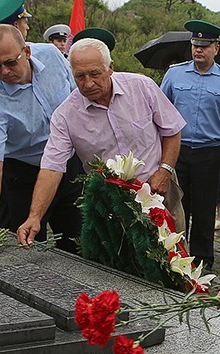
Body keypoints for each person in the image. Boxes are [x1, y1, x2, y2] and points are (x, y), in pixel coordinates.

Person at [17, 35, 187, 244]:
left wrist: (165, 171)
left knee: (174, 256)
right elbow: (52, 167)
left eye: (95, 74)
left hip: (159, 188)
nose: (88, 83)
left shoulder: (142, 87)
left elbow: (172, 130)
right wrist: (35, 217)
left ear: (110, 67)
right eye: (80, 76)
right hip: (112, 204)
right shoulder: (66, 115)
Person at [0, 24, 80, 251]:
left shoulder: (52, 56)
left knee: (77, 238)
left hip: (68, 165)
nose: (4, 72)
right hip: (25, 174)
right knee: (26, 244)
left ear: (27, 52)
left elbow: (76, 98)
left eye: (10, 62)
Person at [161, 20, 220, 270]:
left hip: (209, 152)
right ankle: (173, 255)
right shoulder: (174, 74)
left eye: (205, 45)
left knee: (204, 208)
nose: (199, 50)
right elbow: (159, 111)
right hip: (177, 150)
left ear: (215, 48)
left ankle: (202, 260)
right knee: (175, 206)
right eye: (195, 45)